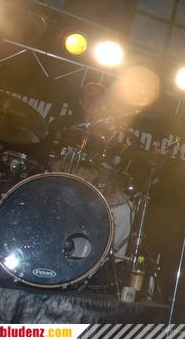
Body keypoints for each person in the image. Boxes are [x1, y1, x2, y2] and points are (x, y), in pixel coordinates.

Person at [47, 82, 133, 261]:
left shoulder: (108, 135)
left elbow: (107, 167)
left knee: (126, 209)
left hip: (91, 187)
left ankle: (110, 264)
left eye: (98, 98)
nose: (93, 100)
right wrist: (58, 166)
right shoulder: (63, 123)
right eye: (89, 96)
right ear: (80, 100)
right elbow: (46, 154)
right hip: (57, 181)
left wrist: (95, 175)